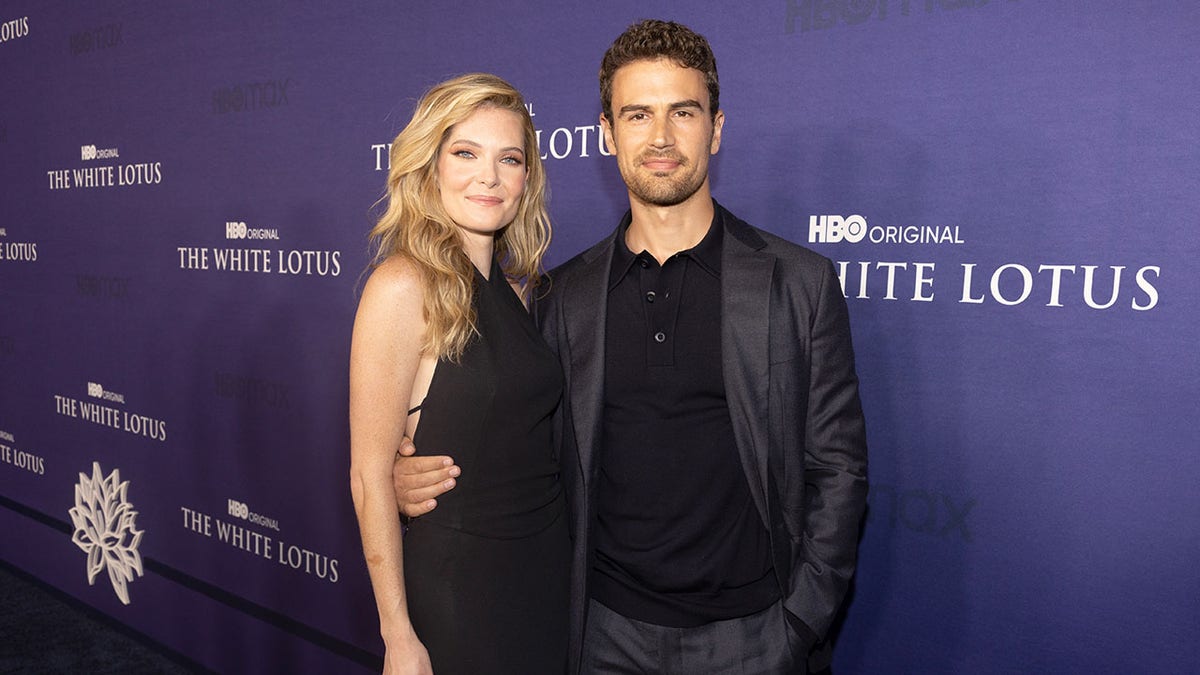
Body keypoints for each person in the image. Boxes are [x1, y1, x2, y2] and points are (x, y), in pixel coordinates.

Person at [395, 20, 868, 674]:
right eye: (638, 114)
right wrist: (409, 472)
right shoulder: (562, 294)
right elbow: (521, 443)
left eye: (684, 112)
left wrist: (798, 621)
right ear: (608, 134)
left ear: (717, 127)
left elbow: (839, 470)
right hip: (601, 636)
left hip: (755, 636)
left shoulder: (800, 283)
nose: (662, 137)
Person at [349, 73, 568, 675]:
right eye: (466, 153)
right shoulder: (402, 286)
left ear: (527, 178)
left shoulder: (520, 294)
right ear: (431, 166)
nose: (489, 176)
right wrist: (397, 635)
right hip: (460, 588)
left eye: (510, 158)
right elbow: (369, 476)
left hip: (543, 574)